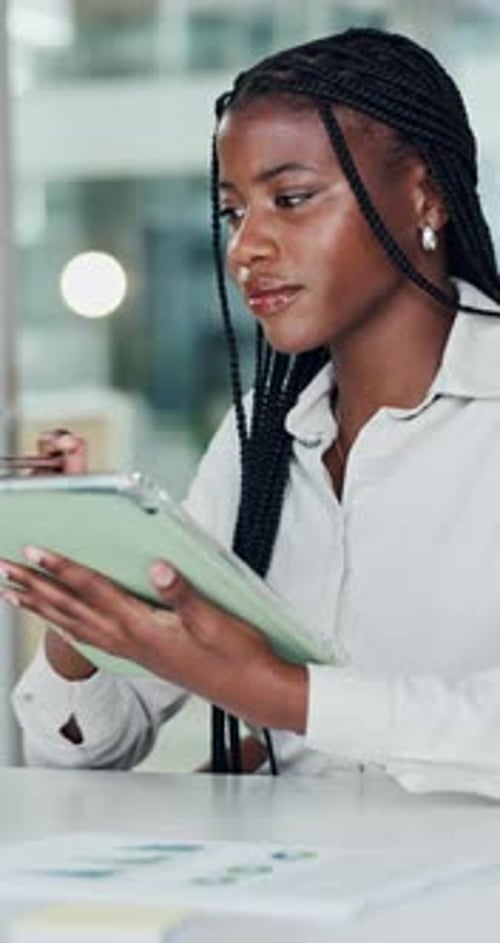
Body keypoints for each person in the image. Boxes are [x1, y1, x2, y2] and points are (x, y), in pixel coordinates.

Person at [4, 26, 500, 794]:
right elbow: (81, 754)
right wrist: (84, 598)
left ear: (423, 193)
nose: (246, 249)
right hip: (289, 872)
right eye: (234, 213)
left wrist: (280, 695)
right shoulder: (258, 443)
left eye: (291, 200)